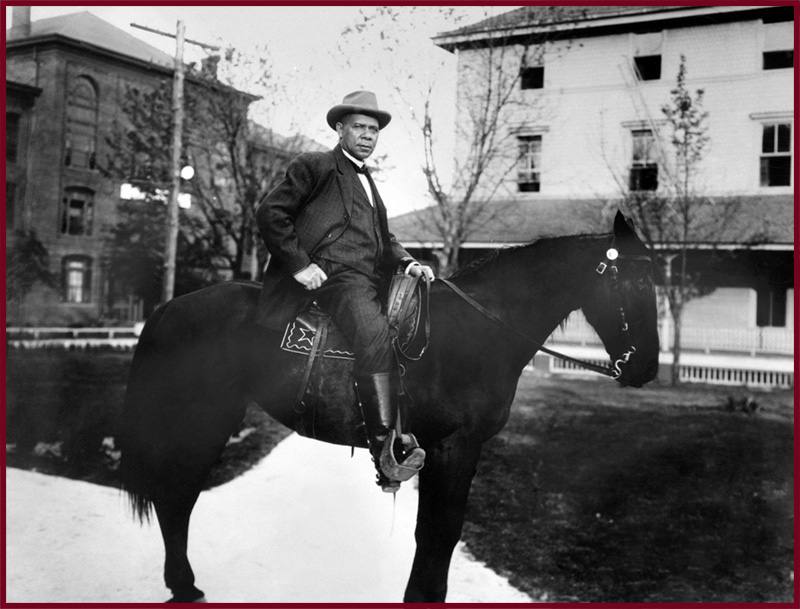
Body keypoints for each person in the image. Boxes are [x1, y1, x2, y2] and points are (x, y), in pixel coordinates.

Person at [255, 90, 435, 491]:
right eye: (359, 127)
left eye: (374, 130)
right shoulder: (316, 166)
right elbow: (271, 213)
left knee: (423, 316)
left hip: (373, 276)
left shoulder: (368, 181)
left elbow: (383, 238)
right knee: (373, 334)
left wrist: (407, 262)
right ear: (340, 129)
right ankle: (385, 453)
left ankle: (411, 422)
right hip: (336, 277)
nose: (368, 136)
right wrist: (300, 265)